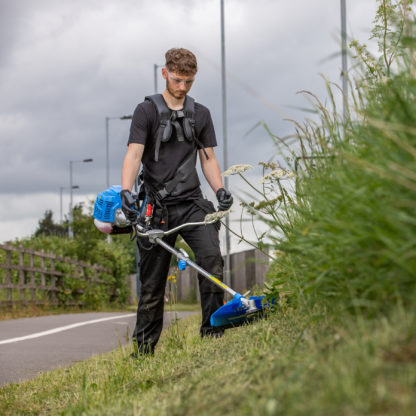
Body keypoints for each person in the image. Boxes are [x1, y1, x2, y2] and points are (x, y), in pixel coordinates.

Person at [120, 48, 233, 355]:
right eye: (178, 80)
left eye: (189, 82)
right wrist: (127, 192)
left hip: (193, 203)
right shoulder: (146, 112)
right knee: (153, 283)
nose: (183, 87)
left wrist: (220, 189)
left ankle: (213, 333)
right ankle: (143, 352)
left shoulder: (201, 114)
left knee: (211, 260)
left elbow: (208, 158)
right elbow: (133, 153)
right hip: (156, 207)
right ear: (165, 73)